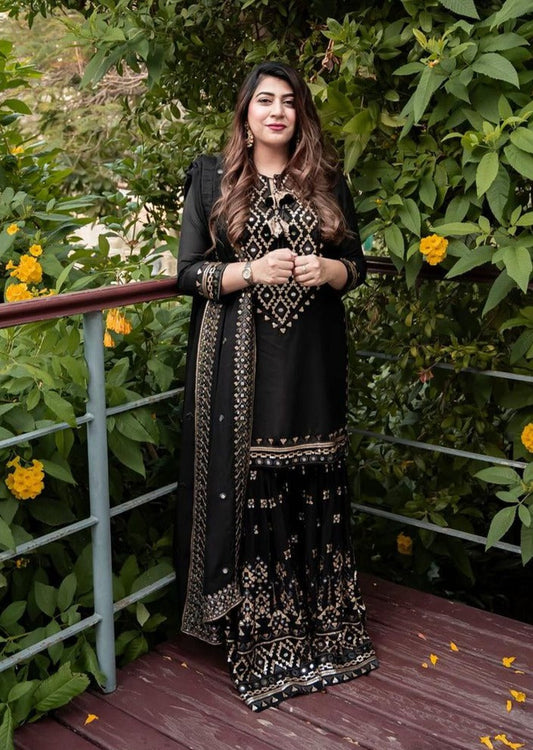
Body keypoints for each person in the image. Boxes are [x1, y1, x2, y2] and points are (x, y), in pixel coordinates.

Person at [175, 61, 378, 712]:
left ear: (300, 115)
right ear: (246, 113)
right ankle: (260, 633)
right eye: (265, 100)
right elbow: (187, 274)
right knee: (255, 478)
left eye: (289, 102)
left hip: (313, 365)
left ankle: (325, 627)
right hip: (244, 369)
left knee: (313, 474)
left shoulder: (325, 179)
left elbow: (357, 265)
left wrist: (330, 271)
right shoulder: (212, 177)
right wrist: (251, 271)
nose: (277, 112)